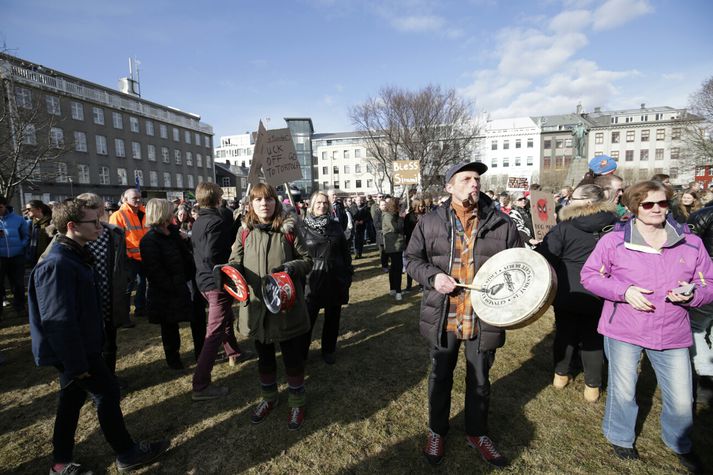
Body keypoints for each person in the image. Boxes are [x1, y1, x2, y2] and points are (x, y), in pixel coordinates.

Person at [581, 180, 713, 473]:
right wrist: (623, 292)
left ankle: (679, 442)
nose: (656, 209)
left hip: (673, 330)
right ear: (634, 207)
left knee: (682, 397)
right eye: (648, 204)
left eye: (662, 203)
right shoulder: (613, 241)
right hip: (624, 328)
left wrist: (693, 294)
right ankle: (621, 437)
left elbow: (709, 282)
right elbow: (590, 276)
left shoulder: (691, 242)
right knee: (624, 389)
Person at [28, 199, 169, 474]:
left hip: (83, 347)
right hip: (76, 352)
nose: (100, 227)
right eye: (93, 222)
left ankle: (60, 462)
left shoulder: (75, 254)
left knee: (71, 400)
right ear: (71, 226)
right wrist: (77, 364)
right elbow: (59, 321)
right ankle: (126, 452)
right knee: (107, 392)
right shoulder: (57, 263)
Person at [405, 161, 523, 468]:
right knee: (440, 376)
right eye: (467, 178)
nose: (474, 183)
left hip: (484, 316)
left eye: (477, 179)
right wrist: (432, 277)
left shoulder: (502, 223)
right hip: (444, 315)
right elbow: (411, 259)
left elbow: (518, 263)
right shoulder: (429, 222)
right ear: (449, 186)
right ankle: (437, 431)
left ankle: (477, 432)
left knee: (480, 379)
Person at [228, 183, 313, 430]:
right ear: (251, 204)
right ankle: (269, 399)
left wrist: (290, 268)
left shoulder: (289, 229)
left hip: (286, 306)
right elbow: (235, 261)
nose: (264, 204)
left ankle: (297, 402)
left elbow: (307, 260)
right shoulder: (244, 232)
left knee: (292, 358)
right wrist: (230, 272)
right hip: (257, 308)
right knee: (264, 358)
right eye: (258, 200)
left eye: (268, 199)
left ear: (276, 202)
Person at [538, 185, 618, 403]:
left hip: (569, 291)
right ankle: (592, 386)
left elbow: (547, 258)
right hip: (602, 292)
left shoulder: (564, 227)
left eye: (573, 198)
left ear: (589, 202)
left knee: (565, 333)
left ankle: (560, 375)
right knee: (593, 337)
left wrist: (540, 248)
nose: (569, 201)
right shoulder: (617, 226)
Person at [191, 182, 251, 401]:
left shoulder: (200, 220)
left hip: (205, 281)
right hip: (215, 282)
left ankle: (233, 352)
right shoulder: (215, 221)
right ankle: (200, 385)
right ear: (218, 199)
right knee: (214, 331)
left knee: (226, 318)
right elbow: (212, 253)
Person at [140, 199, 206, 370]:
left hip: (188, 284)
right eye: (171, 211)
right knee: (169, 327)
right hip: (168, 292)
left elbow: (186, 256)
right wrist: (175, 287)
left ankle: (202, 353)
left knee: (198, 319)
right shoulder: (149, 240)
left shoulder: (174, 232)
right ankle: (174, 360)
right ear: (162, 213)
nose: (174, 213)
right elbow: (154, 272)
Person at [301, 191, 353, 365]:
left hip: (334, 276)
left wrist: (347, 273)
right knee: (308, 317)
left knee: (333, 317)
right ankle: (302, 351)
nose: (322, 206)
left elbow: (345, 252)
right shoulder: (302, 227)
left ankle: (328, 349)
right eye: (318, 203)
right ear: (312, 205)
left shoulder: (335, 225)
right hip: (312, 277)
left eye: (325, 203)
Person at [688, 201, 713, 406]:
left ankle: (705, 377)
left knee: (696, 328)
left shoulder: (703, 215)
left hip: (707, 279)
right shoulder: (705, 215)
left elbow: (688, 246)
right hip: (706, 279)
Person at [109, 188, 148, 322]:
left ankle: (141, 308)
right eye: (134, 198)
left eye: (139, 197)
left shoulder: (144, 212)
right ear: (125, 200)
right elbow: (116, 241)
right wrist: (126, 256)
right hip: (129, 258)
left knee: (143, 284)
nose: (138, 200)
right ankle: (123, 316)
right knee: (128, 287)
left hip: (144, 256)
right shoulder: (118, 215)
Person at [0, 195, 29, 315]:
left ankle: (20, 306)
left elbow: (26, 236)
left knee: (18, 283)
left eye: (0, 207)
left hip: (17, 256)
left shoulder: (18, 219)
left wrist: (20, 246)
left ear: (5, 205)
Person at [382, 198, 405, 300]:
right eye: (399, 205)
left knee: (394, 268)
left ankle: (393, 289)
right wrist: (401, 218)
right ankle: (398, 292)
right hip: (394, 246)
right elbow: (395, 228)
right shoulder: (388, 216)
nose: (400, 207)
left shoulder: (391, 215)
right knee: (397, 268)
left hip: (396, 245)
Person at [403, 199, 426, 291]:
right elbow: (406, 230)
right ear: (416, 206)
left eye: (423, 206)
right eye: (421, 206)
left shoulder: (426, 215)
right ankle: (409, 285)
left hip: (424, 243)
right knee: (411, 263)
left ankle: (422, 284)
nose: (423, 207)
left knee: (422, 263)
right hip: (411, 242)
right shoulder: (409, 216)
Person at [25, 199, 52, 267]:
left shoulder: (51, 222)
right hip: (34, 259)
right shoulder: (30, 223)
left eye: (29, 209)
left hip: (49, 258)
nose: (26, 212)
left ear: (39, 209)